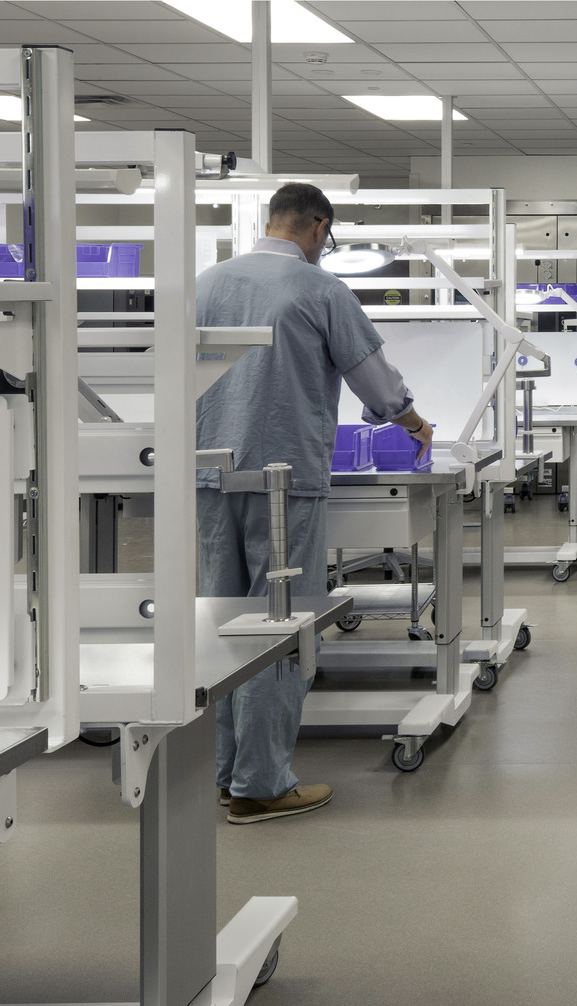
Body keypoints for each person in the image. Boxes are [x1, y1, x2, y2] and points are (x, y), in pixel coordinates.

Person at [196, 182, 433, 824]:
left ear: (269, 221)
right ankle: (261, 784)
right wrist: (414, 424)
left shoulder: (206, 283)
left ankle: (224, 773)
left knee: (221, 630)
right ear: (318, 227)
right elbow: (376, 381)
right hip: (284, 482)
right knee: (278, 629)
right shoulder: (319, 289)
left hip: (209, 478)